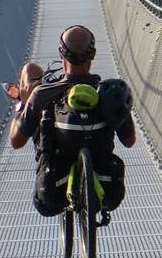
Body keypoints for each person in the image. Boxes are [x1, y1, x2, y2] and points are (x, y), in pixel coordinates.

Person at [9, 25, 136, 223]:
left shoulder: (42, 93)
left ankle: (25, 108)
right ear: (92, 55)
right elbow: (129, 141)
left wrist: (26, 105)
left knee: (30, 73)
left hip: (52, 195)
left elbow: (16, 142)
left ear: (61, 54)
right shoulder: (110, 92)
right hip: (107, 189)